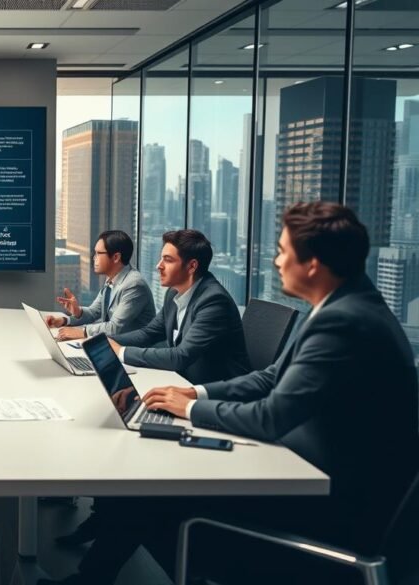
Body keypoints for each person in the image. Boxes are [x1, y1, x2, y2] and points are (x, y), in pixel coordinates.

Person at [57, 203, 419, 585]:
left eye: (283, 251)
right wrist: (194, 393)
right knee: (152, 488)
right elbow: (268, 378)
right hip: (311, 471)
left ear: (312, 263)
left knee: (151, 497)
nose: (276, 261)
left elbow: (270, 417)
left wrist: (193, 410)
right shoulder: (344, 307)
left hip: (331, 506)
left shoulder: (344, 322)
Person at [108, 229, 250, 385]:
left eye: (168, 260)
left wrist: (121, 352)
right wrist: (104, 342)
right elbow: (149, 333)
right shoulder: (174, 293)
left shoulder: (214, 301)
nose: (158, 266)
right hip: (184, 382)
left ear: (192, 266)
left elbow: (181, 356)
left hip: (219, 396)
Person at [45, 230, 155, 341]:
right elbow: (93, 312)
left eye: (98, 253)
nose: (94, 258)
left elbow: (114, 328)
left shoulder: (134, 285)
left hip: (135, 351)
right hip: (114, 344)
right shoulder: (112, 278)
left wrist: (81, 332)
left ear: (116, 257)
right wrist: (67, 319)